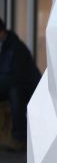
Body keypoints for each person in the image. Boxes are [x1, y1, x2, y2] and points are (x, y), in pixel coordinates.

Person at [0, 18, 42, 151]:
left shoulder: (15, 47)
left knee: (15, 93)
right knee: (14, 90)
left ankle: (19, 138)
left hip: (29, 87)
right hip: (16, 84)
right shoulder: (6, 45)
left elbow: (14, 76)